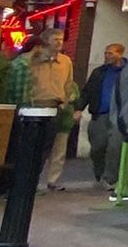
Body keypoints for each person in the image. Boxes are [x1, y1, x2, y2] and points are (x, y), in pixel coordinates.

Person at [7, 28, 76, 192]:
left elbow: (69, 83)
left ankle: (45, 181)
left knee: (52, 147)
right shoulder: (33, 60)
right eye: (55, 39)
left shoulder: (66, 61)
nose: (59, 42)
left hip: (56, 106)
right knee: (32, 147)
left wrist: (65, 102)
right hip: (35, 106)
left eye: (61, 39)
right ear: (45, 42)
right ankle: (27, 182)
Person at [79, 43, 128, 194]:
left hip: (119, 115)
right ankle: (99, 174)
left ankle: (110, 178)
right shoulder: (99, 72)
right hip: (100, 113)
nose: (107, 56)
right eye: (106, 53)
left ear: (120, 54)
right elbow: (87, 91)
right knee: (97, 147)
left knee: (115, 146)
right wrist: (78, 108)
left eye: (111, 53)